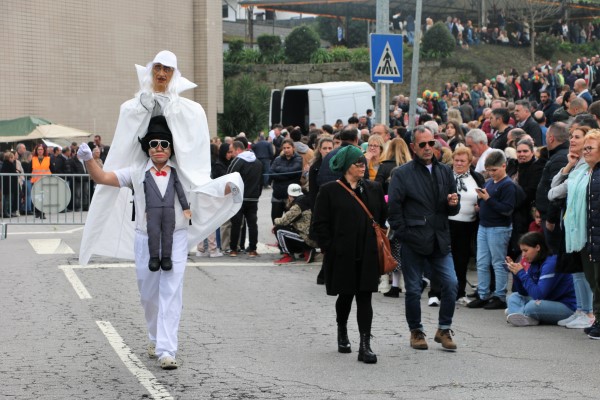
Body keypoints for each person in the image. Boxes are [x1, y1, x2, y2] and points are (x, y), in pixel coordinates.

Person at [78, 50, 243, 370]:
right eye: (154, 144)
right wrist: (88, 158)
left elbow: (201, 183)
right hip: (144, 238)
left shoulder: (181, 167)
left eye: (164, 144)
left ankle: (168, 348)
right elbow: (102, 177)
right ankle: (155, 338)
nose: (159, 149)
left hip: (176, 238)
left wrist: (229, 186)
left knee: (171, 291)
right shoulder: (135, 172)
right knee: (149, 295)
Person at [388, 125, 460, 351]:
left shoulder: (445, 171)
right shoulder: (402, 174)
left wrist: (453, 204)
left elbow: (451, 209)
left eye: (432, 143)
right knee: (413, 288)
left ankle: (444, 328)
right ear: (413, 147)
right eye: (423, 144)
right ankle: (416, 331)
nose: (428, 148)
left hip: (440, 238)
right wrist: (405, 234)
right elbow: (394, 210)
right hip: (413, 240)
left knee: (451, 284)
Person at [311, 145, 386, 364]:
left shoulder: (374, 188)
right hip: (342, 254)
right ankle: (342, 331)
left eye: (363, 162)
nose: (362, 167)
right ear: (346, 167)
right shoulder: (329, 191)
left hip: (368, 252)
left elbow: (382, 215)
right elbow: (319, 225)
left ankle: (365, 345)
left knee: (365, 297)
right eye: (357, 163)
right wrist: (331, 247)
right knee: (345, 295)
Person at [548, 125, 595, 329]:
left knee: (586, 272)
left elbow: (557, 192)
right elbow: (552, 191)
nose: (573, 140)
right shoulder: (576, 167)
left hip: (585, 227)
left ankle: (589, 311)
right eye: (571, 137)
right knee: (576, 271)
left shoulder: (590, 168)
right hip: (572, 227)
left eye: (577, 137)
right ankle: (580, 309)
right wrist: (568, 167)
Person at [467, 150, 516, 310]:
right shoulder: (489, 183)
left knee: (498, 263)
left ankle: (500, 295)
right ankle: (483, 293)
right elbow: (489, 204)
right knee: (482, 262)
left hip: (499, 228)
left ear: (504, 166)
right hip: (484, 226)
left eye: (494, 170)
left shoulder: (508, 185)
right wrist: (480, 205)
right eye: (489, 170)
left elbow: (507, 209)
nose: (491, 173)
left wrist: (488, 199)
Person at [504, 232, 576, 326]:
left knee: (531, 306)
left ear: (537, 247)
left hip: (566, 306)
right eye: (522, 251)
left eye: (526, 250)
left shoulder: (551, 263)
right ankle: (525, 316)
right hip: (547, 301)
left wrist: (521, 273)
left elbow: (539, 295)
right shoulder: (535, 262)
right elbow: (524, 292)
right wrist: (516, 274)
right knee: (513, 297)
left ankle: (518, 312)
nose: (523, 255)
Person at [449, 147, 485, 305]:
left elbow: (482, 195)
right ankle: (437, 292)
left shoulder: (476, 177)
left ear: (469, 162)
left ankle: (460, 291)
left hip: (468, 225)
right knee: (444, 258)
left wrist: (480, 205)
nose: (458, 163)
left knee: (462, 260)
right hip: (448, 223)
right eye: (456, 160)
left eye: (462, 161)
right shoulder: (446, 176)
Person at [227, 140, 263, 257]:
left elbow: (229, 177)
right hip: (253, 198)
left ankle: (233, 249)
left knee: (236, 223)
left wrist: (231, 195)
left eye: (232, 151)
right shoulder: (258, 162)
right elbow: (261, 181)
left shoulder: (238, 161)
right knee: (252, 224)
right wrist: (257, 195)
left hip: (239, 197)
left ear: (238, 150)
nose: (231, 154)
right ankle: (253, 249)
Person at [582, 130, 600, 339]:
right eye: (584, 148)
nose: (585, 151)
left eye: (590, 148)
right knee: (596, 280)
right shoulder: (592, 172)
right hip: (594, 235)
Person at [272, 183, 318, 264]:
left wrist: (275, 222)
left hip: (308, 239)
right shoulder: (308, 199)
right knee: (289, 228)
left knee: (278, 229)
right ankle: (305, 251)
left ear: (289, 196)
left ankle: (288, 255)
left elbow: (283, 221)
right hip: (314, 237)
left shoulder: (297, 206)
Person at [270, 138, 303, 223]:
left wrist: (279, 170)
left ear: (293, 148)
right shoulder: (278, 159)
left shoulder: (298, 159)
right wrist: (288, 175)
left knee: (292, 222)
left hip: (291, 196)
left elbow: (294, 172)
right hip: (278, 194)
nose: (286, 150)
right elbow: (271, 173)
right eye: (284, 148)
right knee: (275, 220)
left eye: (288, 147)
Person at [31, 143, 51, 219]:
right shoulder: (33, 159)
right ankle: (37, 212)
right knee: (37, 197)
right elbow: (30, 169)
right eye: (38, 149)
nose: (40, 151)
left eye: (41, 149)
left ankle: (43, 213)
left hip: (45, 181)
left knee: (44, 198)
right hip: (36, 181)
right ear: (36, 151)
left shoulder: (48, 158)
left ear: (44, 150)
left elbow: (52, 169)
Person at [1, 151, 19, 218]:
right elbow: (13, 173)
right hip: (9, 184)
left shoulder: (4, 164)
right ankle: (6, 212)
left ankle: (7, 212)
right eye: (12, 158)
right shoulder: (9, 164)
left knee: (6, 199)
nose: (13, 159)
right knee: (8, 199)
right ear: (9, 158)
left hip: (6, 184)